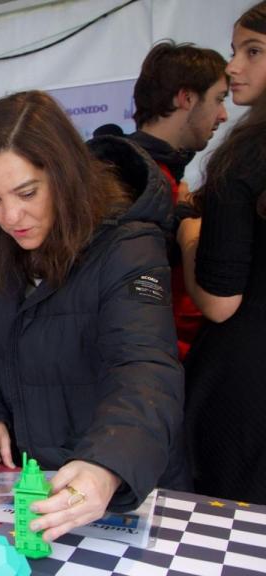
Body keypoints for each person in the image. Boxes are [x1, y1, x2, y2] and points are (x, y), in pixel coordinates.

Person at [0, 90, 187, 542]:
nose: (11, 216)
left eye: (27, 193)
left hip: (120, 491)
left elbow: (144, 366)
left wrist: (107, 464)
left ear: (63, 175)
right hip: (36, 483)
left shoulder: (128, 245)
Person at [181, 1, 266, 504]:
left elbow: (218, 300)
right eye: (236, 50)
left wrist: (190, 232)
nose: (232, 65)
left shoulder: (248, 154)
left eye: (252, 51)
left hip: (245, 384)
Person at [130, 41, 229, 360]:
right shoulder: (135, 180)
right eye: (218, 100)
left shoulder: (161, 175)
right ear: (186, 98)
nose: (224, 115)